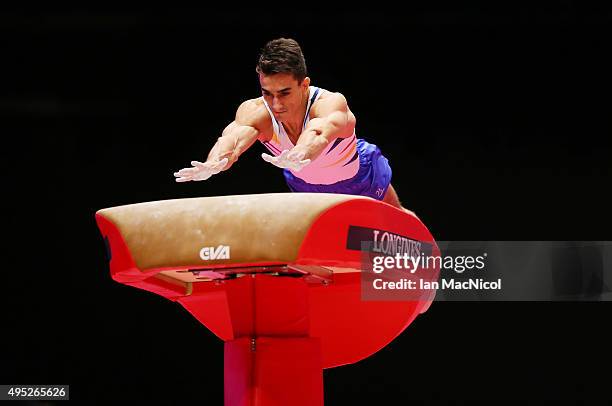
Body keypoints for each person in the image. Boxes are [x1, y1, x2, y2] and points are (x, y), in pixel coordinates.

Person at [174, 38, 414, 215]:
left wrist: (301, 153)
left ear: (304, 85)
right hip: (304, 185)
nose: (276, 104)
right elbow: (233, 139)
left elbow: (318, 133)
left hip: (358, 177)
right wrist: (215, 162)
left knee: (399, 218)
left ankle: (429, 264)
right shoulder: (258, 112)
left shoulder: (330, 103)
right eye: (267, 93)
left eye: (284, 92)